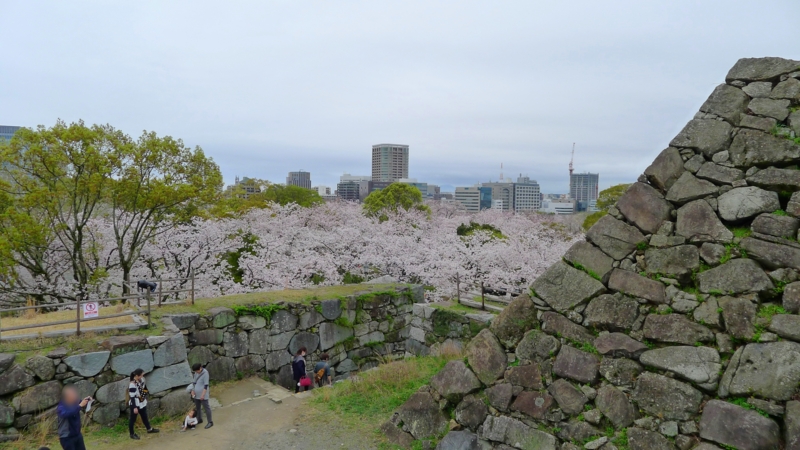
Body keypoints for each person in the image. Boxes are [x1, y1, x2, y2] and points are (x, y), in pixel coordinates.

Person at [128, 368, 159, 440]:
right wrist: (134, 407)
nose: (142, 376)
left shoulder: (141, 380)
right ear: (137, 376)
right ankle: (132, 434)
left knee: (144, 416)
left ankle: (149, 429)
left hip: (141, 402)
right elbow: (132, 396)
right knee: (133, 419)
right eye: (141, 375)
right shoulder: (132, 384)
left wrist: (144, 396)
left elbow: (144, 388)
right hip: (135, 403)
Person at [56, 386, 89, 450]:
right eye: (72, 394)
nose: (75, 396)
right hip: (66, 437)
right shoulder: (61, 406)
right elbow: (66, 414)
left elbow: (83, 404)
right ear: (66, 396)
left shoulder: (76, 402)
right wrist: (79, 406)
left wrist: (88, 400)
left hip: (77, 434)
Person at [191, 363, 213, 429]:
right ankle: (199, 419)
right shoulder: (196, 373)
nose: (197, 372)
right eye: (195, 371)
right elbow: (194, 382)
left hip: (203, 394)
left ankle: (210, 422)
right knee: (198, 407)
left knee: (206, 408)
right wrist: (192, 390)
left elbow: (206, 385)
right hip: (196, 394)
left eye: (197, 370)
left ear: (200, 368)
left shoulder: (205, 373)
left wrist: (203, 395)